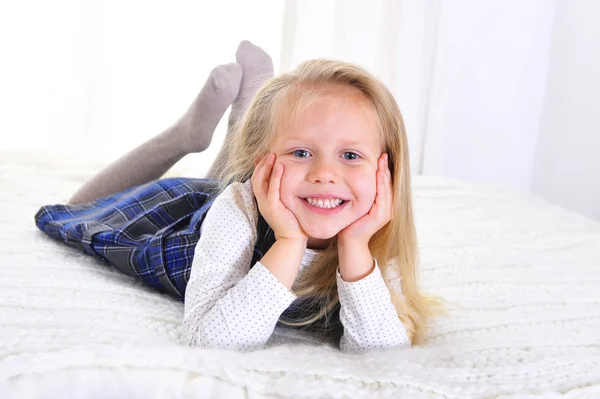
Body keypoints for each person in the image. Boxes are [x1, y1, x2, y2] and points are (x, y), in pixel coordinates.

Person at [35, 41, 446, 353]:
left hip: (249, 195)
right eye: (301, 152)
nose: (324, 174)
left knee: (231, 186)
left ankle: (244, 117)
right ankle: (186, 136)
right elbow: (210, 340)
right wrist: (289, 241)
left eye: (351, 155)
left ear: (385, 172)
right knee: (77, 212)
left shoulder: (374, 232)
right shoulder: (236, 212)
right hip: (183, 232)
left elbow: (381, 351)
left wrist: (355, 247)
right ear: (262, 162)